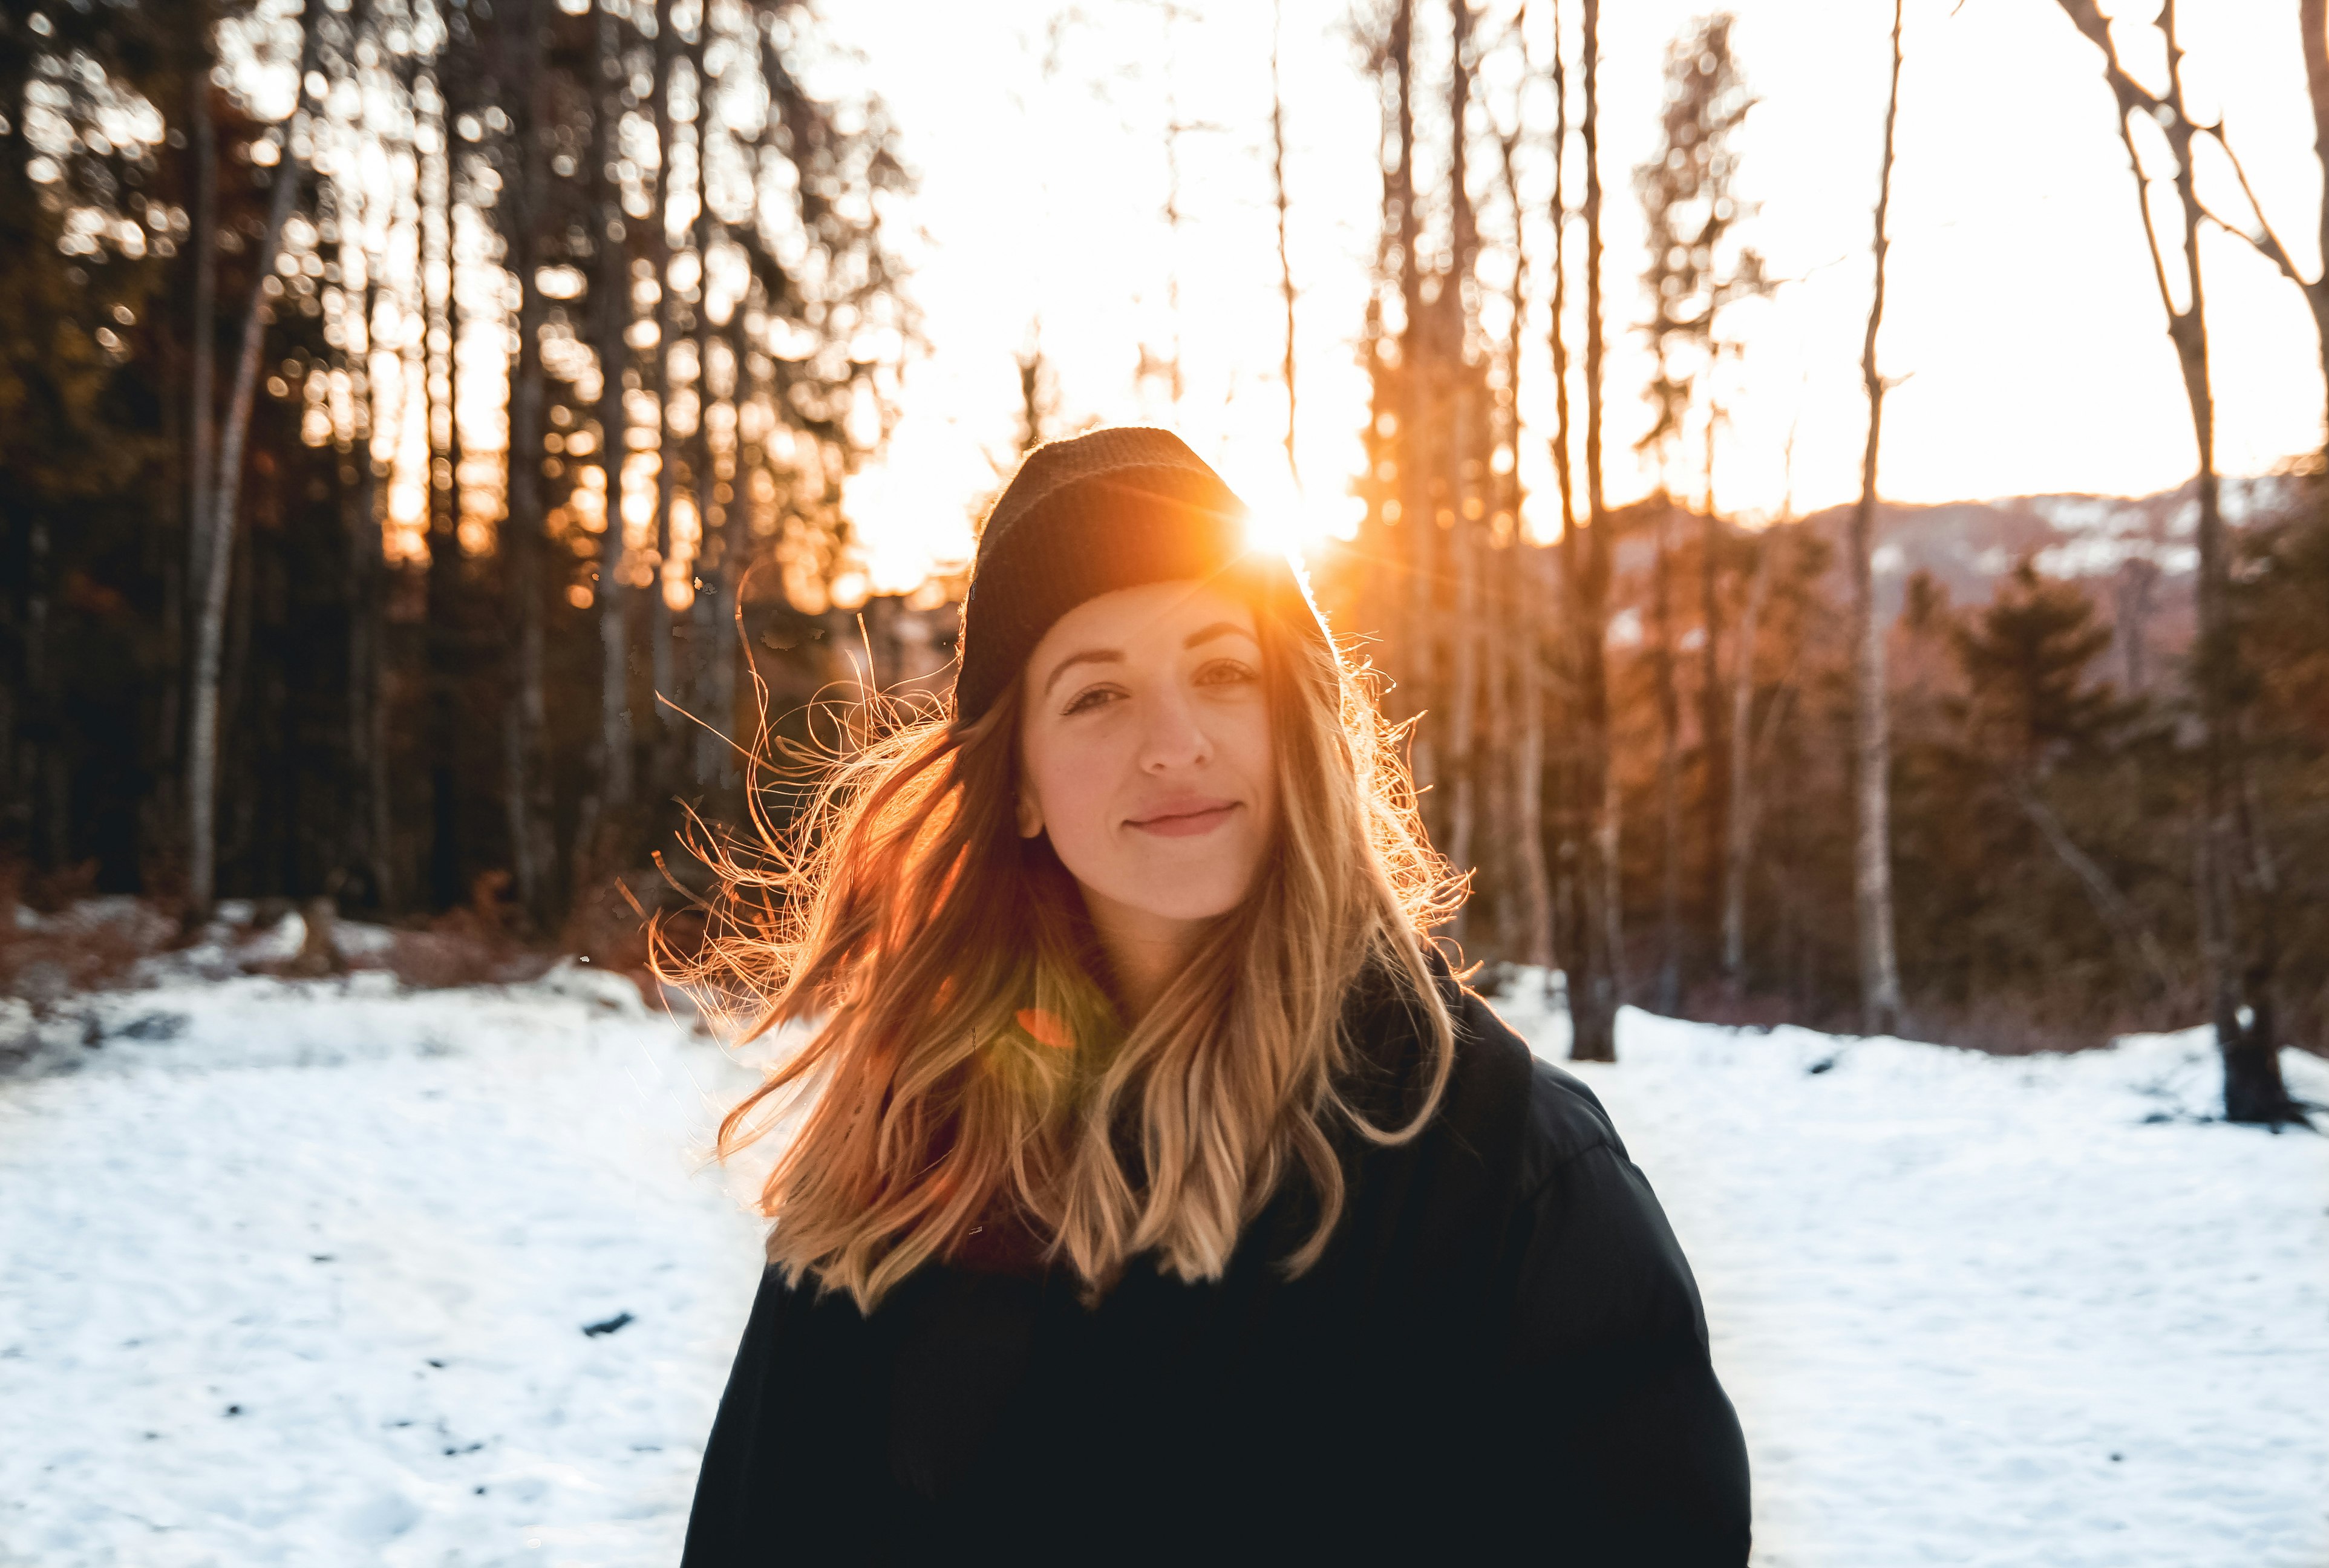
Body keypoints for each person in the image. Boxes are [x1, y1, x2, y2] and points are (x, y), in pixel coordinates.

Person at [678, 426, 1750, 1563]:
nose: (1174, 743)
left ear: (1298, 726)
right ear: (1021, 782)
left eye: (1223, 672)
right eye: (1095, 696)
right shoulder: (908, 1157)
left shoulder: (1506, 1170)